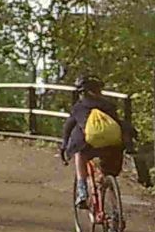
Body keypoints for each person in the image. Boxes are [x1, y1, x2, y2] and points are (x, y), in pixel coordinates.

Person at [59, 74, 138, 208]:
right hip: (113, 146)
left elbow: (68, 128)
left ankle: (82, 190)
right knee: (109, 174)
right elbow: (120, 124)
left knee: (79, 155)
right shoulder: (109, 105)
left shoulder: (79, 107)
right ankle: (115, 212)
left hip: (89, 146)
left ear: (83, 92)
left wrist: (64, 147)